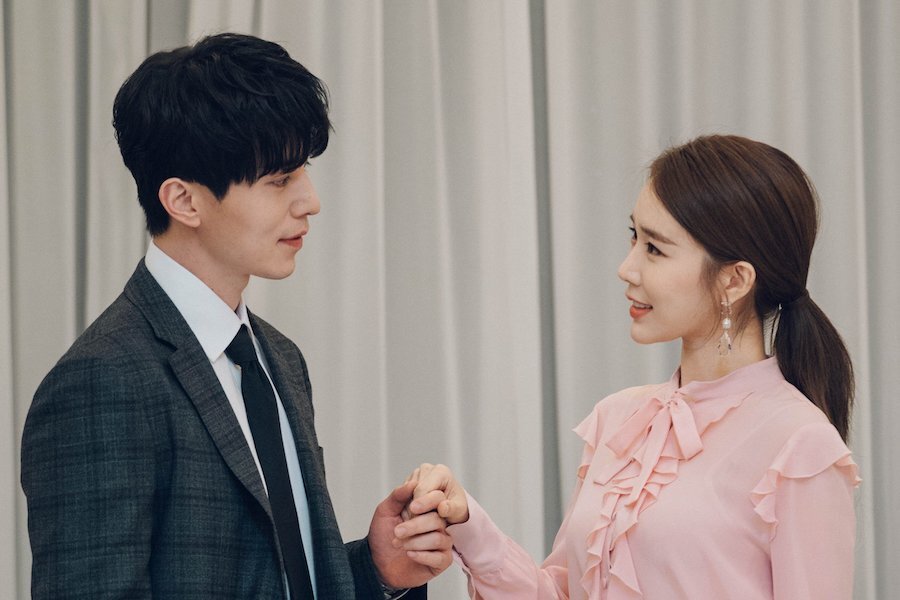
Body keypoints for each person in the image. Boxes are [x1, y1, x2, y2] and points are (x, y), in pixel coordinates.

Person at [20, 33, 450, 600]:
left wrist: (377, 570)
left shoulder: (280, 359)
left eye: (303, 171)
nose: (310, 201)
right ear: (184, 200)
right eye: (279, 180)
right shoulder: (102, 379)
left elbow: (276, 580)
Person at [404, 135, 860, 599]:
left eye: (655, 249)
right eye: (634, 237)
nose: (627, 268)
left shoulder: (800, 445)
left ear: (734, 280)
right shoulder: (618, 419)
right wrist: (468, 526)